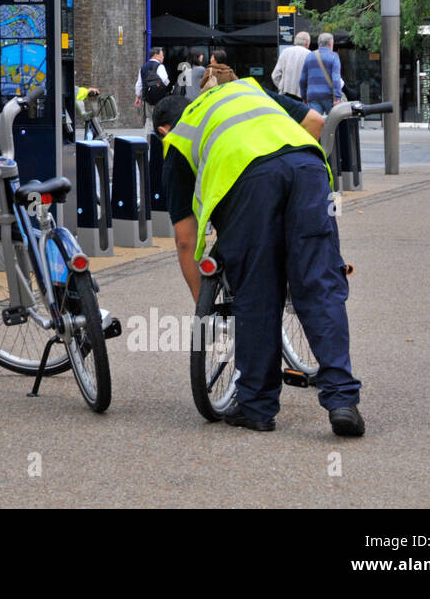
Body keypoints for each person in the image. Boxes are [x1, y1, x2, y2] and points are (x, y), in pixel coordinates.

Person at [152, 81, 365, 437]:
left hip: (249, 185)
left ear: (163, 130)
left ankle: (257, 406)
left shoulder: (179, 138)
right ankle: (342, 401)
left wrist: (202, 309)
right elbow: (315, 121)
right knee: (321, 285)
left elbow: (185, 241)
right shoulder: (247, 91)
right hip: (308, 169)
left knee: (256, 294)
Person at [300, 32, 344, 115]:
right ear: (331, 44)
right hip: (329, 96)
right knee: (332, 125)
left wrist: (304, 98)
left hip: (312, 96)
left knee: (315, 123)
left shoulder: (309, 57)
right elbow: (336, 79)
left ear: (318, 43)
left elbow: (302, 80)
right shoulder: (334, 56)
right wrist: (337, 98)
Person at [134, 47, 171, 123]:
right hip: (159, 98)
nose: (163, 57)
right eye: (161, 55)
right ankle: (157, 134)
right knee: (159, 118)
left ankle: (148, 134)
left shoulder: (143, 67)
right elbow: (165, 80)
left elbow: (139, 84)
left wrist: (138, 97)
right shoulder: (160, 66)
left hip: (147, 98)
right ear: (156, 55)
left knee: (149, 118)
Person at [270, 30, 311, 99]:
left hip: (285, 94)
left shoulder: (285, 52)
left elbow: (275, 75)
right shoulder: (309, 54)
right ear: (307, 43)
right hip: (302, 96)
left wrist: (281, 87)